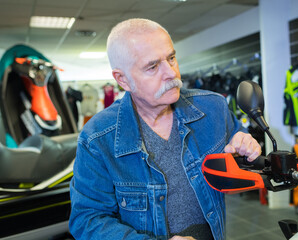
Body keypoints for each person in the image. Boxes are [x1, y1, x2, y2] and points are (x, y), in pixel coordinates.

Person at [69, 18, 261, 240]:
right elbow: (87, 220)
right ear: (123, 80)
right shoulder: (97, 138)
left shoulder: (214, 108)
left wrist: (247, 151)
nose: (171, 73)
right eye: (152, 66)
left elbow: (243, 161)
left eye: (171, 58)